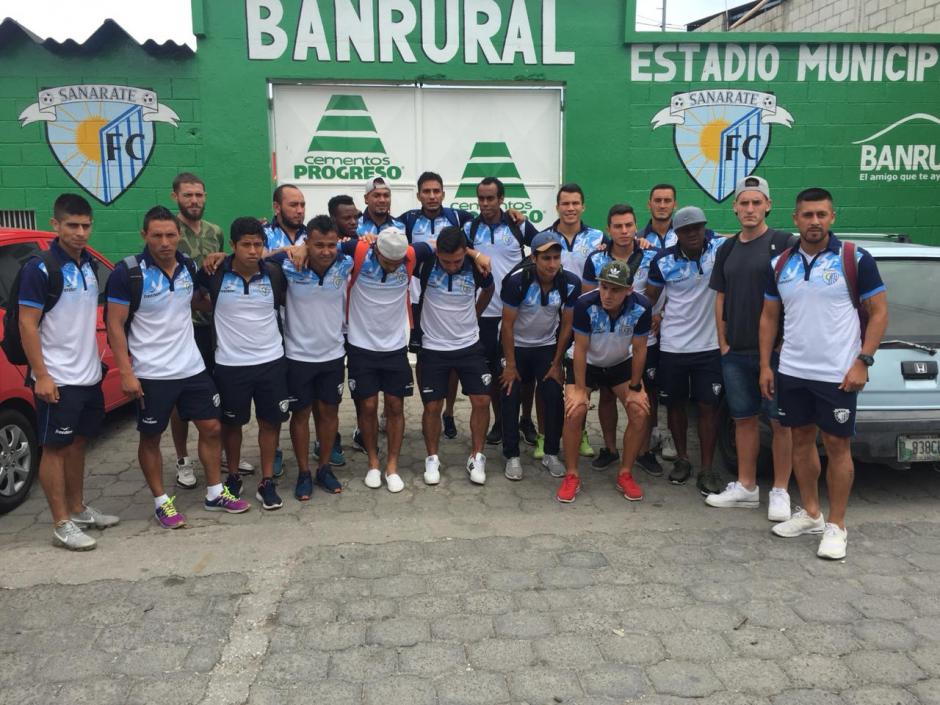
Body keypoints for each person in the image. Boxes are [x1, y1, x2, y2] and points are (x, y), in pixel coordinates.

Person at [760, 187, 888, 560]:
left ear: (833, 217)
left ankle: (837, 525)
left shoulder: (856, 259)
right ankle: (812, 513)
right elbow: (769, 317)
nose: (814, 221)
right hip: (792, 370)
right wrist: (767, 365)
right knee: (800, 441)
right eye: (807, 215)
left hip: (838, 373)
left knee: (836, 446)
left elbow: (879, 312)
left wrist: (863, 361)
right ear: (795, 219)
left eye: (821, 214)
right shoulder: (781, 264)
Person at [106, 206, 250, 528]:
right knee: (151, 437)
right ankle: (161, 502)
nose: (165, 242)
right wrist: (126, 372)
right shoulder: (127, 272)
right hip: (152, 372)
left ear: (180, 235)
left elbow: (193, 300)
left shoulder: (187, 266)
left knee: (212, 427)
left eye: (171, 235)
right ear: (144, 235)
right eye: (157, 235)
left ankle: (215, 492)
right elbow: (114, 324)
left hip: (191, 366)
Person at [17, 193, 118, 550]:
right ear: (55, 224)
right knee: (54, 449)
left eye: (86, 225)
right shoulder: (39, 268)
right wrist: (42, 375)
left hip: (89, 374)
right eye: (72, 225)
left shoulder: (88, 264)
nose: (80, 232)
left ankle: (77, 509)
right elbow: (27, 325)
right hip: (58, 378)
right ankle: (61, 524)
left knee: (77, 443)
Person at [706, 176, 796, 521]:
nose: (749, 209)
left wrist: (785, 342)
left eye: (756, 203)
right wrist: (723, 340)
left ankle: (780, 491)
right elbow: (721, 296)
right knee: (743, 419)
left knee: (779, 422)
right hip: (736, 352)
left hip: (774, 355)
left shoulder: (783, 244)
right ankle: (745, 487)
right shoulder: (727, 249)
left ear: (768, 205)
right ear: (735, 208)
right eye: (744, 203)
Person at [193, 217, 291, 511]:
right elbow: (195, 300)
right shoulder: (214, 273)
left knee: (270, 422)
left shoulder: (274, 274)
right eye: (245, 245)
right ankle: (233, 476)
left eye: (258, 245)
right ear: (232, 246)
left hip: (271, 361)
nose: (252, 251)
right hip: (230, 364)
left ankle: (267, 481)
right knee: (231, 424)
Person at [168, 173, 252, 488]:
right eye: (188, 195)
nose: (194, 201)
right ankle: (183, 459)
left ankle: (226, 455)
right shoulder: (169, 233)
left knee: (221, 392)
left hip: (216, 328)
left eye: (199, 195)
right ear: (175, 196)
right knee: (182, 400)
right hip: (184, 329)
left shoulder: (216, 232)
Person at [645, 206, 727, 495]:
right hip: (673, 345)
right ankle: (682, 460)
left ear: (706, 228)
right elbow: (650, 297)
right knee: (675, 405)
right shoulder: (663, 260)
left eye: (698, 228)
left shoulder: (719, 249)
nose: (693, 233)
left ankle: (707, 469)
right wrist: (652, 315)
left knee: (708, 407)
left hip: (710, 345)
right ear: (676, 234)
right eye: (686, 230)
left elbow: (747, 240)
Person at [271, 215, 352, 500]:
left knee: (329, 413)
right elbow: (254, 260)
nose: (326, 251)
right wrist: (290, 250)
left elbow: (375, 244)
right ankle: (304, 472)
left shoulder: (346, 262)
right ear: (308, 242)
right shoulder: (287, 265)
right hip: (297, 356)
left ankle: (324, 468)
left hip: (332, 354)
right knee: (301, 414)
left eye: (331, 245)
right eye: (318, 245)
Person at [559, 261, 652, 503]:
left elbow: (640, 350)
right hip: (586, 362)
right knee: (575, 410)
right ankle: (571, 475)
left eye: (615, 290)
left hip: (620, 363)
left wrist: (635, 388)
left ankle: (625, 473)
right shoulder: (585, 304)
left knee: (640, 411)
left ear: (629, 290)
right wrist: (580, 390)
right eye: (604, 287)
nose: (608, 295)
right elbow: (580, 348)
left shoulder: (642, 307)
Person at [582, 204, 661, 476]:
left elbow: (658, 289)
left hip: (639, 334)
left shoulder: (650, 254)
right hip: (605, 337)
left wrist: (655, 314)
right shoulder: (596, 258)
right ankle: (609, 449)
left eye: (629, 225)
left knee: (642, 394)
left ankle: (643, 451)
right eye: (618, 226)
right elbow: (587, 298)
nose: (624, 231)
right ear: (609, 229)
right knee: (606, 394)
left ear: (636, 226)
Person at [415, 227, 494, 484]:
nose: (451, 266)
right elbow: (398, 255)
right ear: (437, 252)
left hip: (469, 345)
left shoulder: (474, 265)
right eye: (446, 261)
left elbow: (490, 289)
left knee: (482, 401)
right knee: (432, 407)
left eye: (457, 260)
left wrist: (475, 313)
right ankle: (432, 458)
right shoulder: (425, 262)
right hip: (433, 347)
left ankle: (477, 456)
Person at [399, 172, 475, 440]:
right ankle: (430, 406)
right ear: (419, 194)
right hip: (419, 301)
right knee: (425, 358)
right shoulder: (407, 219)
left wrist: (515, 214)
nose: (432, 196)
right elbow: (389, 241)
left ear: (444, 193)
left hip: (444, 299)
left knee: (452, 360)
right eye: (426, 191)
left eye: (436, 191)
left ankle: (449, 412)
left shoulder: (458, 218)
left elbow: (484, 228)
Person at [464, 177, 539, 446]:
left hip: (517, 313)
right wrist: (473, 254)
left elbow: (543, 246)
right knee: (496, 372)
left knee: (524, 373)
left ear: (501, 199)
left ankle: (526, 420)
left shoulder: (518, 224)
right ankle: (499, 421)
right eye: (481, 198)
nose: (485, 204)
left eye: (491, 198)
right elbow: (453, 248)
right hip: (485, 314)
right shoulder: (470, 227)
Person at [500, 232, 580, 481]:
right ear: (534, 258)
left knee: (553, 396)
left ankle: (551, 453)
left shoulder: (570, 282)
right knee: (510, 395)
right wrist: (510, 364)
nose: (552, 264)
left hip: (546, 346)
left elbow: (567, 325)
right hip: (517, 346)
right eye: (546, 258)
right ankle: (512, 456)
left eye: (556, 257)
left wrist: (557, 363)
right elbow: (507, 326)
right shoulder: (517, 281)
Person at [536, 183, 605, 458]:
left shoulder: (599, 237)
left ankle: (581, 432)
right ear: (557, 207)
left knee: (580, 382)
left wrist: (642, 241)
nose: (570, 208)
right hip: (551, 320)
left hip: (586, 320)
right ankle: (544, 436)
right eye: (565, 203)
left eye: (575, 203)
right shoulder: (545, 237)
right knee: (548, 380)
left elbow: (623, 253)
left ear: (583, 206)